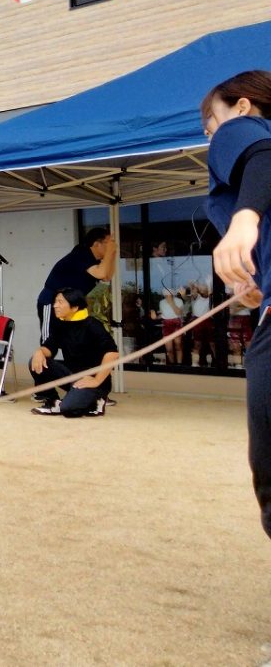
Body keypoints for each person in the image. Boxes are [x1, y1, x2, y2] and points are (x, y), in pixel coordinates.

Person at [201, 70, 271, 538]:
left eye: (209, 122)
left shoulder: (241, 129)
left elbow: (263, 156)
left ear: (242, 106)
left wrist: (244, 220)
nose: (210, 135)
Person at [28, 288, 118, 417]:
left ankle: (97, 399)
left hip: (92, 378)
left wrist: (97, 380)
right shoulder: (60, 325)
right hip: (72, 375)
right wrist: (39, 352)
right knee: (36, 361)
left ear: (75, 307)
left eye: (60, 302)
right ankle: (53, 402)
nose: (55, 305)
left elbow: (112, 354)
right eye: (55, 302)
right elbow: (49, 348)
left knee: (68, 409)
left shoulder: (92, 325)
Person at [36, 228, 116, 340]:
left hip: (70, 305)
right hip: (53, 302)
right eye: (108, 243)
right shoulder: (81, 254)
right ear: (97, 244)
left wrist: (112, 255)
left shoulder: (94, 261)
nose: (111, 246)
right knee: (49, 339)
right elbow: (101, 273)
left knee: (71, 340)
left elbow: (107, 276)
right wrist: (110, 252)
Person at [158, 287, 186, 365]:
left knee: (178, 346)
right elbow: (162, 314)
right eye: (166, 295)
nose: (167, 296)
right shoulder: (162, 302)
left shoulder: (179, 301)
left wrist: (171, 303)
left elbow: (179, 313)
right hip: (166, 325)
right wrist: (155, 316)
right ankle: (172, 366)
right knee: (169, 349)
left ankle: (179, 365)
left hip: (176, 323)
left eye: (169, 294)